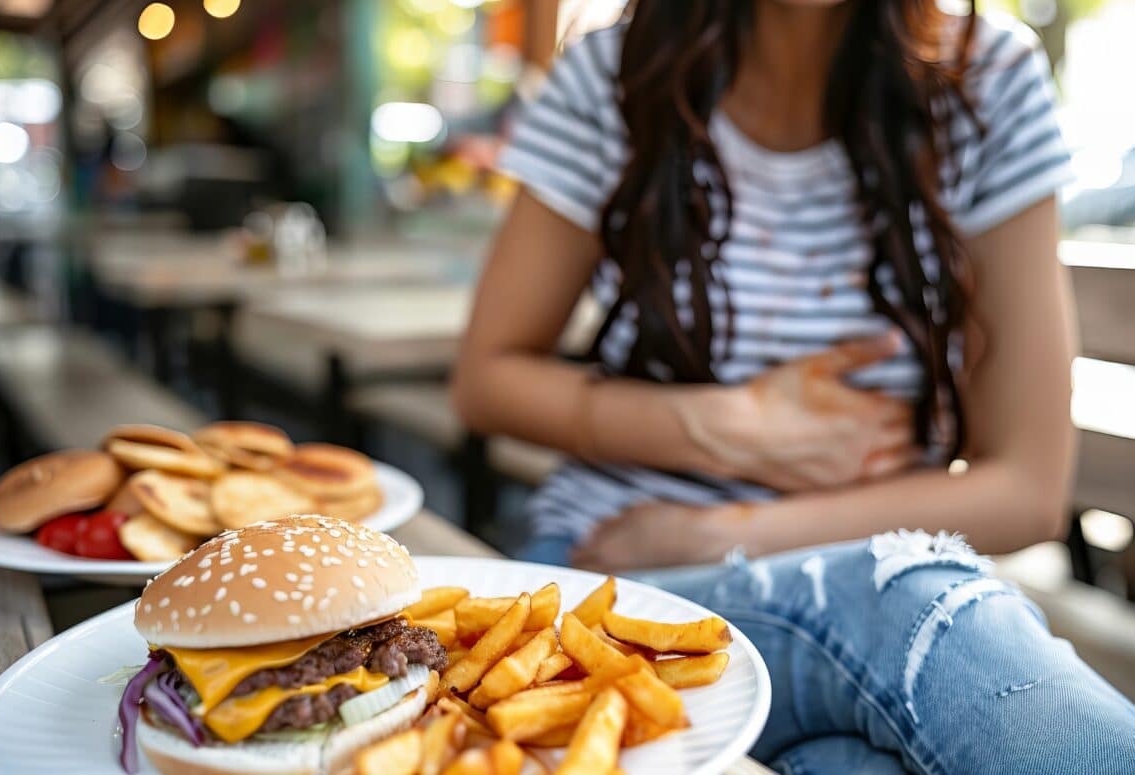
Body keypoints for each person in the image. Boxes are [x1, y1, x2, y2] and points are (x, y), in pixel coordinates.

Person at [451, 0, 1135, 771]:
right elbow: (486, 378)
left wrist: (722, 531)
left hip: (813, 585)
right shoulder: (612, 78)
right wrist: (727, 424)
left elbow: (1028, 488)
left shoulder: (986, 81)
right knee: (919, 602)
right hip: (619, 582)